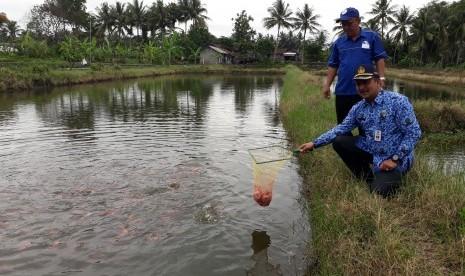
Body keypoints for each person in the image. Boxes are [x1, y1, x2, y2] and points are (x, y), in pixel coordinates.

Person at [299, 64, 421, 198]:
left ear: (377, 81)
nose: (361, 87)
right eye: (358, 84)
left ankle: (386, 178)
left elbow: (413, 133)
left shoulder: (398, 102)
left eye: (366, 82)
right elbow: (340, 129)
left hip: (396, 158)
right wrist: (314, 143)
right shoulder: (358, 108)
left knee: (379, 194)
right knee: (339, 141)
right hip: (372, 150)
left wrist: (395, 159)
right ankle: (367, 178)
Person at [323, 7, 388, 130]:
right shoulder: (338, 43)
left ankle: (364, 148)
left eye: (349, 23)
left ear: (358, 21)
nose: (346, 27)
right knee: (343, 128)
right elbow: (333, 65)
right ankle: (347, 148)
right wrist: (327, 85)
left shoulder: (371, 37)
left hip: (366, 91)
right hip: (343, 91)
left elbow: (379, 58)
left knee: (367, 128)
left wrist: (382, 78)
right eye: (343, 24)